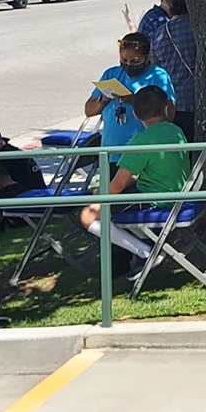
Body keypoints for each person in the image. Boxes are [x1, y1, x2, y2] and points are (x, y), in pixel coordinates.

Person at [79, 85, 189, 272]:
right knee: (116, 206)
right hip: (177, 195)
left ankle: (145, 252)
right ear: (165, 107)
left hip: (155, 201)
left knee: (88, 215)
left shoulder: (141, 141)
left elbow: (118, 184)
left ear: (136, 115)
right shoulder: (175, 131)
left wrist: (98, 196)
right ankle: (148, 246)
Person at [86, 32, 177, 154]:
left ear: (147, 57)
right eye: (123, 60)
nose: (128, 65)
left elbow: (169, 114)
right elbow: (89, 110)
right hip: (111, 149)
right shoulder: (111, 74)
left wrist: (135, 99)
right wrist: (103, 99)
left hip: (143, 151)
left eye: (135, 61)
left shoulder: (159, 76)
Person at [134, 0, 198, 135]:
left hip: (174, 101)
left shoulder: (162, 33)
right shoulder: (199, 29)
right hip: (200, 97)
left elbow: (156, 65)